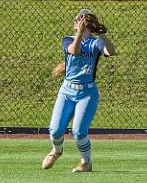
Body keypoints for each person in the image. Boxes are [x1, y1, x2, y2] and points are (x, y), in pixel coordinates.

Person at [43, 10, 116, 173]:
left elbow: (111, 52)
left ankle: (86, 162)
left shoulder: (95, 43)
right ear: (75, 25)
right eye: (79, 20)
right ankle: (57, 150)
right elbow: (74, 51)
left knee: (79, 132)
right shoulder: (68, 39)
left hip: (87, 93)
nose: (82, 23)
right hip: (67, 92)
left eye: (86, 20)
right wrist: (81, 32)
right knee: (55, 131)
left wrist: (102, 34)